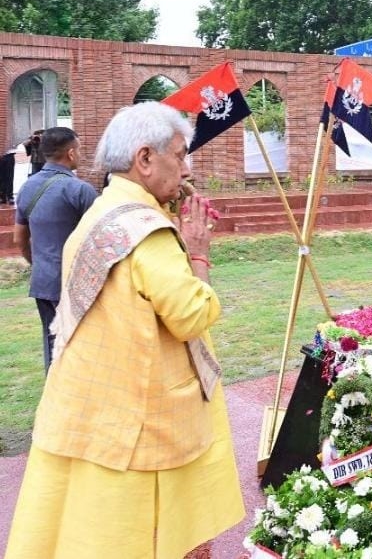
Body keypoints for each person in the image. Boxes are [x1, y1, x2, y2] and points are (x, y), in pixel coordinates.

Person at [5, 102, 244, 559]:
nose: (187, 165)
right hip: (146, 416)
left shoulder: (101, 214)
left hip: (95, 402)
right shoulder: (147, 231)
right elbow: (191, 315)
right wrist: (196, 252)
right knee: (151, 537)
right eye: (181, 153)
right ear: (145, 159)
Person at [13, 127, 98, 371]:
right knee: (84, 344)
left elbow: (20, 238)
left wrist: (38, 264)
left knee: (53, 343)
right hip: (78, 281)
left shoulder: (28, 188)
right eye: (79, 150)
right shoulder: (80, 190)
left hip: (43, 281)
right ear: (71, 153)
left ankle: (55, 397)